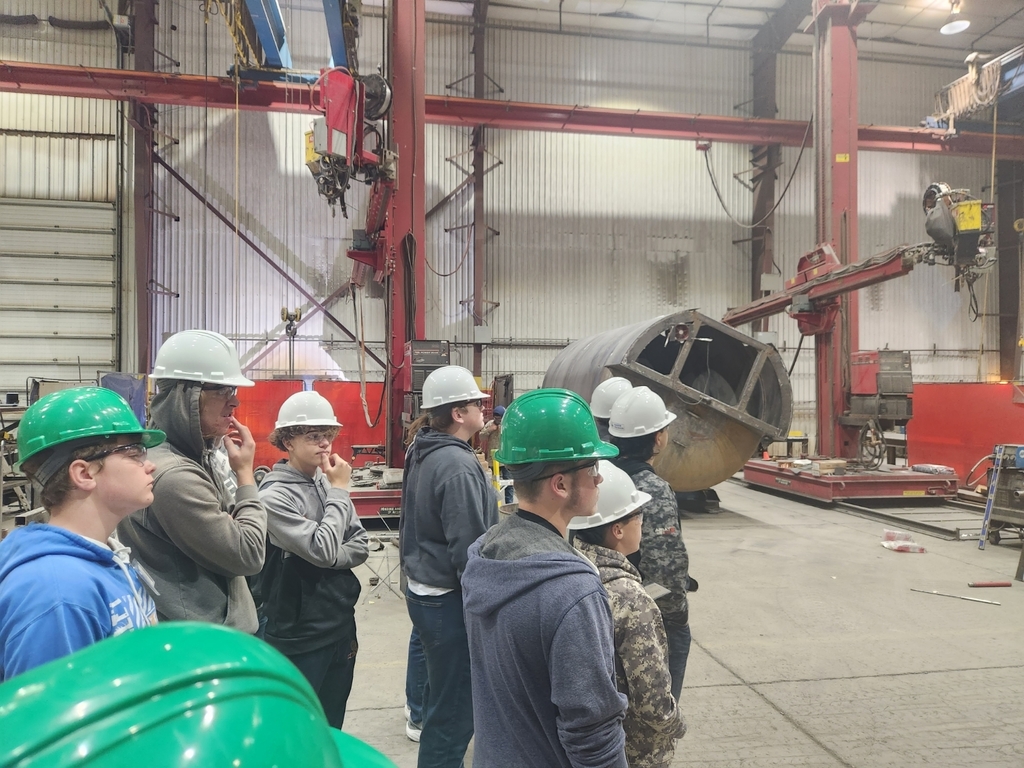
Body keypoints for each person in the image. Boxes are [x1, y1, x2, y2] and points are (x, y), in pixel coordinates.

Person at [461, 388, 628, 768]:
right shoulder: (572, 591)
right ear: (561, 484)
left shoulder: (485, 555)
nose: (600, 480)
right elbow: (592, 731)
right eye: (592, 469)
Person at [0, 387, 165, 681]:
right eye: (134, 453)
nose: (149, 464)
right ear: (85, 474)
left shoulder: (108, 559)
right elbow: (51, 720)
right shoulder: (56, 594)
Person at [118, 329, 268, 632]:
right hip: (205, 642)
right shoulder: (175, 475)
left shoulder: (185, 456)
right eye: (222, 391)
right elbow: (249, 554)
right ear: (187, 397)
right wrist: (245, 475)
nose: (235, 403)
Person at [399, 365, 499, 768]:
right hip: (448, 599)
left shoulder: (424, 449)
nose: (482, 408)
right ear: (458, 414)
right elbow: (469, 548)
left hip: (424, 590)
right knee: (455, 713)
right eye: (476, 403)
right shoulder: (457, 466)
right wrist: (486, 605)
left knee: (441, 698)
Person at [255, 390, 369, 729]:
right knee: (298, 726)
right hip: (299, 633)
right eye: (313, 436)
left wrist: (328, 553)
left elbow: (360, 543)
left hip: (338, 622)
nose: (324, 444)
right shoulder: (274, 497)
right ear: (288, 441)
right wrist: (339, 494)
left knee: (332, 724)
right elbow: (321, 547)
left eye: (328, 435)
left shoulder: (324, 481)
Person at [568, 461, 687, 768]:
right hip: (634, 751)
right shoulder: (631, 598)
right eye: (638, 516)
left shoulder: (570, 571)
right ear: (617, 529)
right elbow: (653, 702)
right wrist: (677, 725)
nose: (642, 524)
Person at [608, 385, 694, 698]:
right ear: (658, 437)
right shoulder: (652, 489)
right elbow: (664, 567)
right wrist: (676, 613)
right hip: (646, 619)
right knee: (656, 715)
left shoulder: (599, 477)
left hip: (603, 609)